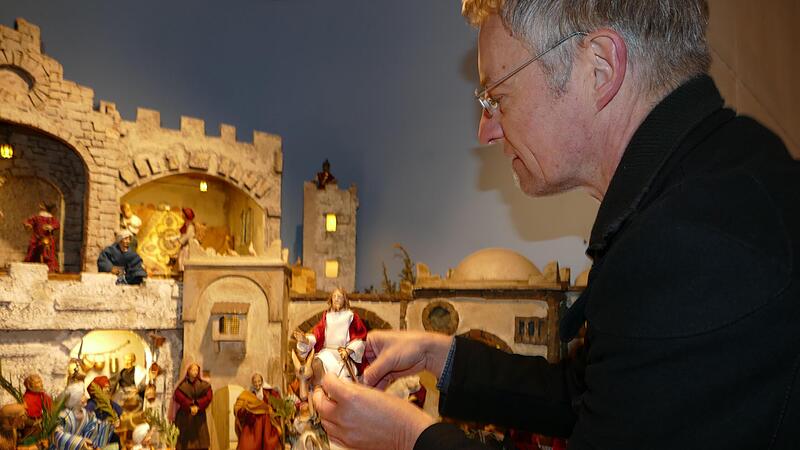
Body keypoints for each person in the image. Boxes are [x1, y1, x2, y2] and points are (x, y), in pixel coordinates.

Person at [310, 1, 800, 449]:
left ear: (600, 68)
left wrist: (407, 436)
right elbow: (593, 393)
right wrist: (441, 357)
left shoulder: (692, 243)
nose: (485, 131)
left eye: (498, 97)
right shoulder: (714, 179)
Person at [293, 288, 367, 382]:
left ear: (344, 299)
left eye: (339, 297)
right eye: (334, 296)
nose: (336, 299)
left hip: (342, 354)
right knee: (315, 364)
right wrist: (305, 340)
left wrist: (348, 351)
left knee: (345, 378)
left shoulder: (351, 316)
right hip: (326, 353)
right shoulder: (327, 316)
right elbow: (317, 334)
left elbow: (360, 338)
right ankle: (314, 389)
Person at [51, 382, 115, 450]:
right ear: (75, 398)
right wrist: (79, 443)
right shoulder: (63, 416)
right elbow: (56, 435)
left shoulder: (87, 414)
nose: (87, 397)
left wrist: (108, 425)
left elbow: (94, 427)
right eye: (83, 394)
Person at [233, 373, 281, 450]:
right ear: (252, 383)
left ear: (262, 381)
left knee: (269, 442)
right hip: (253, 421)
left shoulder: (268, 392)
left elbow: (277, 403)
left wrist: (270, 408)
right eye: (255, 382)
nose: (257, 383)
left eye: (259, 381)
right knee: (247, 443)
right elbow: (239, 406)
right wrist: (245, 409)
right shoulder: (249, 394)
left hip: (266, 420)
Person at [171, 363, 212, 450]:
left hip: (199, 417)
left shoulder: (203, 385)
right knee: (184, 444)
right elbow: (178, 396)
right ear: (188, 371)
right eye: (193, 370)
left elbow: (208, 397)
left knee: (201, 442)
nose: (195, 372)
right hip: (184, 417)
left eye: (197, 370)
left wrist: (198, 405)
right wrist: (189, 405)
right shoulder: (181, 385)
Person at [23, 201, 60, 272]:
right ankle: (30, 267)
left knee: (48, 253)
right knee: (32, 250)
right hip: (36, 238)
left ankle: (50, 268)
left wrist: (51, 226)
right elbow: (28, 222)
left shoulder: (51, 219)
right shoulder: (37, 217)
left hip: (47, 239)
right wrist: (28, 225)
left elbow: (57, 224)